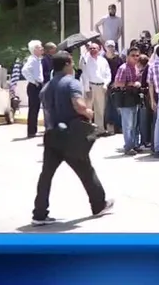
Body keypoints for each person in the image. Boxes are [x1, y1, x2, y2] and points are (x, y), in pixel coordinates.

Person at [31, 51, 114, 226]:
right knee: (86, 170)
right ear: (67, 64)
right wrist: (88, 111)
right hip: (71, 135)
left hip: (52, 134)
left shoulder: (46, 87)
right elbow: (78, 104)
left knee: (46, 175)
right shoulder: (71, 83)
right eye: (71, 62)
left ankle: (39, 214)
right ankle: (99, 204)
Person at [112, 47, 142, 155]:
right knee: (127, 124)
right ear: (128, 56)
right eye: (133, 55)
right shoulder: (123, 68)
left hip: (134, 97)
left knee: (134, 124)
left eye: (137, 55)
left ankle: (134, 144)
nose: (135, 58)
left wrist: (137, 83)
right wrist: (130, 84)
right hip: (125, 98)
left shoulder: (136, 68)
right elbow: (117, 83)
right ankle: (128, 146)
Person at [80, 42, 113, 136]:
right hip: (90, 86)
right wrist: (87, 88)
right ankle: (88, 130)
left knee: (100, 109)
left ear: (99, 49)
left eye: (94, 48)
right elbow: (84, 75)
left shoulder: (103, 60)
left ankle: (100, 130)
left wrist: (106, 84)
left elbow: (108, 74)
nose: (92, 50)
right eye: (90, 48)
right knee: (88, 109)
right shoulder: (85, 60)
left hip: (101, 86)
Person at [22, 40, 45, 138]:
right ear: (35, 49)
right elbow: (25, 70)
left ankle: (33, 130)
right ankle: (31, 131)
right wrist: (33, 81)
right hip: (34, 86)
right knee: (33, 109)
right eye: (40, 47)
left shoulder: (38, 59)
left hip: (38, 85)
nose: (42, 48)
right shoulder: (32, 59)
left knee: (36, 108)